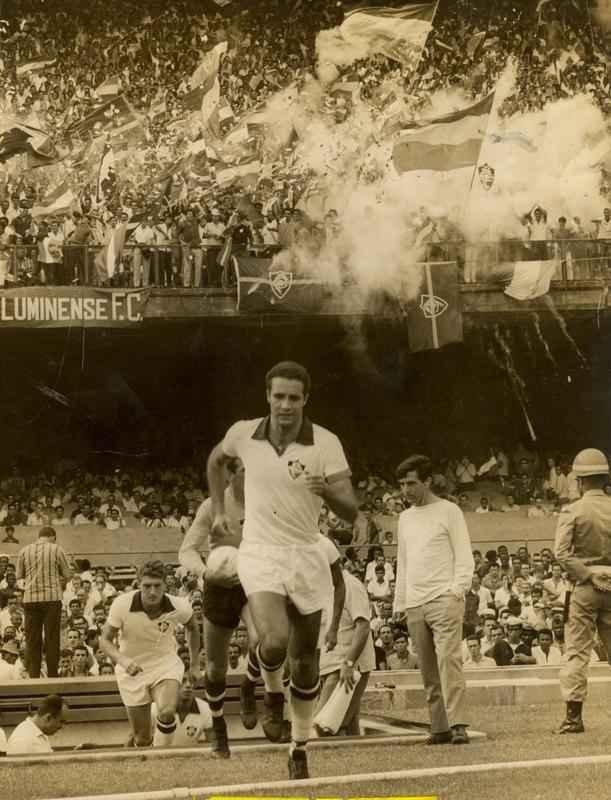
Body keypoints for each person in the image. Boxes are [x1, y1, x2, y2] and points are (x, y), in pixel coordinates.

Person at [207, 361, 358, 779]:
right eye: (279, 396)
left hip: (306, 554)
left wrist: (327, 491)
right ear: (267, 397)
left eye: (294, 398)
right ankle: (265, 689)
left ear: (306, 399)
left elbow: (351, 510)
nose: (285, 405)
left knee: (305, 664)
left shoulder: (325, 443)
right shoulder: (244, 434)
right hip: (260, 552)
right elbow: (215, 462)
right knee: (273, 642)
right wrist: (218, 510)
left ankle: (299, 748)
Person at [393, 454, 474, 745]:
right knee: (428, 669)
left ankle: (458, 724)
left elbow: (464, 555)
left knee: (449, 663)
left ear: (427, 481)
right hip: (415, 602)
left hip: (444, 598)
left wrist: (456, 591)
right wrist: (400, 602)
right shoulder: (404, 517)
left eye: (411, 483)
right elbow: (403, 561)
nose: (405, 490)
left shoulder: (449, 511)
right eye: (402, 484)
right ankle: (439, 727)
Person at [99, 560, 201, 748]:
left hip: (165, 664)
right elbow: (104, 640)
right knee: (142, 738)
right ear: (138, 584)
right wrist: (123, 661)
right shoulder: (121, 604)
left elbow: (193, 628)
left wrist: (195, 664)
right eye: (147, 586)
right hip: (131, 670)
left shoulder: (179, 605)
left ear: (165, 585)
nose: (152, 592)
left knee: (167, 713)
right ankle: (148, 754)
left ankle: (163, 757)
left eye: (157, 586)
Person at [554, 448, 611, 734]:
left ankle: (573, 718)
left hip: (585, 585)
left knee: (577, 651)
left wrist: (589, 575)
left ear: (580, 481)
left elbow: (561, 553)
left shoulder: (573, 510)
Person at [316, 567, 375, 735]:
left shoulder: (351, 586)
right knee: (347, 725)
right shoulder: (325, 586)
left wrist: (349, 663)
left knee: (324, 726)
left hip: (345, 667)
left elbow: (363, 626)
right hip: (329, 664)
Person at [16, 526, 72, 678]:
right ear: (53, 537)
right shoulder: (56, 549)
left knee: (32, 640)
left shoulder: (24, 550)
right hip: (51, 599)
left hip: (30, 599)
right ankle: (52, 675)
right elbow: (68, 574)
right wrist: (59, 579)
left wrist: (30, 585)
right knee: (52, 638)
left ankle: (34, 675)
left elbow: (19, 578)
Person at [151, 674, 212, 747]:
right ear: (171, 685)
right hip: (158, 753)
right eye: (183, 681)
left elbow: (212, 743)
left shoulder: (205, 708)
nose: (188, 685)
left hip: (190, 754)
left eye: (191, 681)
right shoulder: (155, 708)